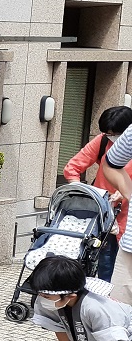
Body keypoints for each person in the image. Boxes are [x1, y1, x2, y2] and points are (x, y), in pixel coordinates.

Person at [64, 106, 132, 282]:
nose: (112, 138)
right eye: (108, 134)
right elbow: (72, 167)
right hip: (105, 213)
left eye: (115, 134)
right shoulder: (102, 141)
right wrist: (82, 191)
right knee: (105, 264)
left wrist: (124, 193)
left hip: (128, 217)